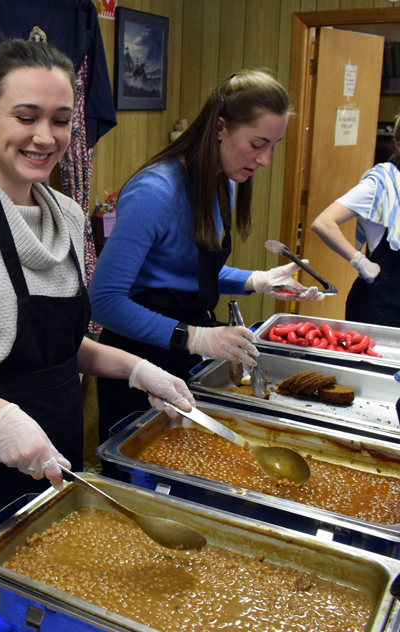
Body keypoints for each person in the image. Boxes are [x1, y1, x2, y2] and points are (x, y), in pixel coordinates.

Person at [0, 39, 195, 632]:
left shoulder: (69, 218)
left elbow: (59, 345)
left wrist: (136, 369)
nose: (44, 138)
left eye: (60, 121)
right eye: (25, 117)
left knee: (47, 612)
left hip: (57, 463)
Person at [88, 70, 324, 456]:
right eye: (257, 144)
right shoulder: (156, 191)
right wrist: (194, 336)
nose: (264, 160)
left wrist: (257, 281)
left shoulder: (223, 183)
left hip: (181, 351)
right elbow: (104, 301)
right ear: (220, 127)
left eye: (273, 147)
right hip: (137, 360)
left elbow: (189, 274)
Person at [310, 116, 400, 327]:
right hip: (380, 309)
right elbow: (323, 222)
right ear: (398, 143)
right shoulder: (380, 185)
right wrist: (359, 261)